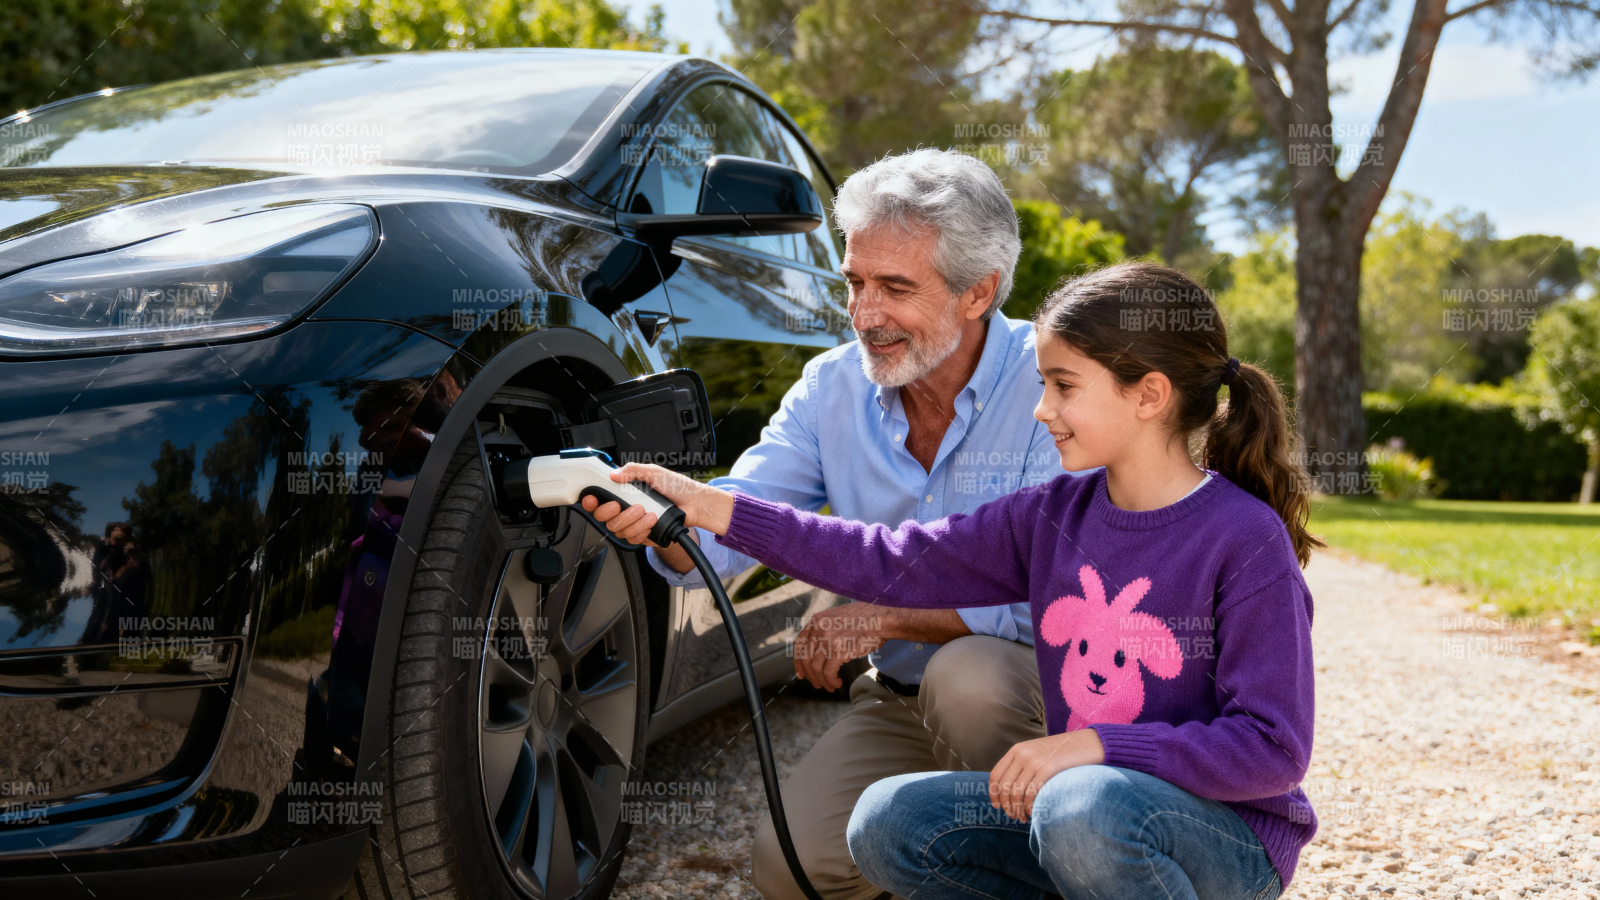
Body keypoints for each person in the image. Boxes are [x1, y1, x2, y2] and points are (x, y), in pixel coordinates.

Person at [585, 261, 1322, 900]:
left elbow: (1272, 749)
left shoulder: (1243, 539)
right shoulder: (1052, 514)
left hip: (1218, 845)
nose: (1043, 410)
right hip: (1084, 813)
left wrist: (1094, 746)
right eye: (1041, 384)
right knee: (887, 820)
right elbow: (887, 556)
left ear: (1149, 395)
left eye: (1064, 387)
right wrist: (713, 508)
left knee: (1077, 808)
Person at [642, 147, 1059, 899]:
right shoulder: (830, 388)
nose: (865, 315)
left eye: (896, 287)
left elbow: (1049, 592)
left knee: (970, 681)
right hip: (903, 703)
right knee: (794, 867)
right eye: (855, 282)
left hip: (1038, 700)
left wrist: (885, 616)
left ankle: (1054, 861)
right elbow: (741, 519)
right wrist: (664, 525)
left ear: (979, 293)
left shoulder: (1053, 382)